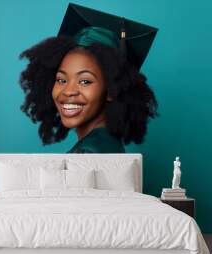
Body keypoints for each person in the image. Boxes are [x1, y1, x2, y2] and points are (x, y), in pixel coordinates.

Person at [18, 4, 158, 153]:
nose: (68, 91)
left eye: (85, 81)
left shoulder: (88, 153)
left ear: (112, 89)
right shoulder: (104, 144)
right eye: (61, 80)